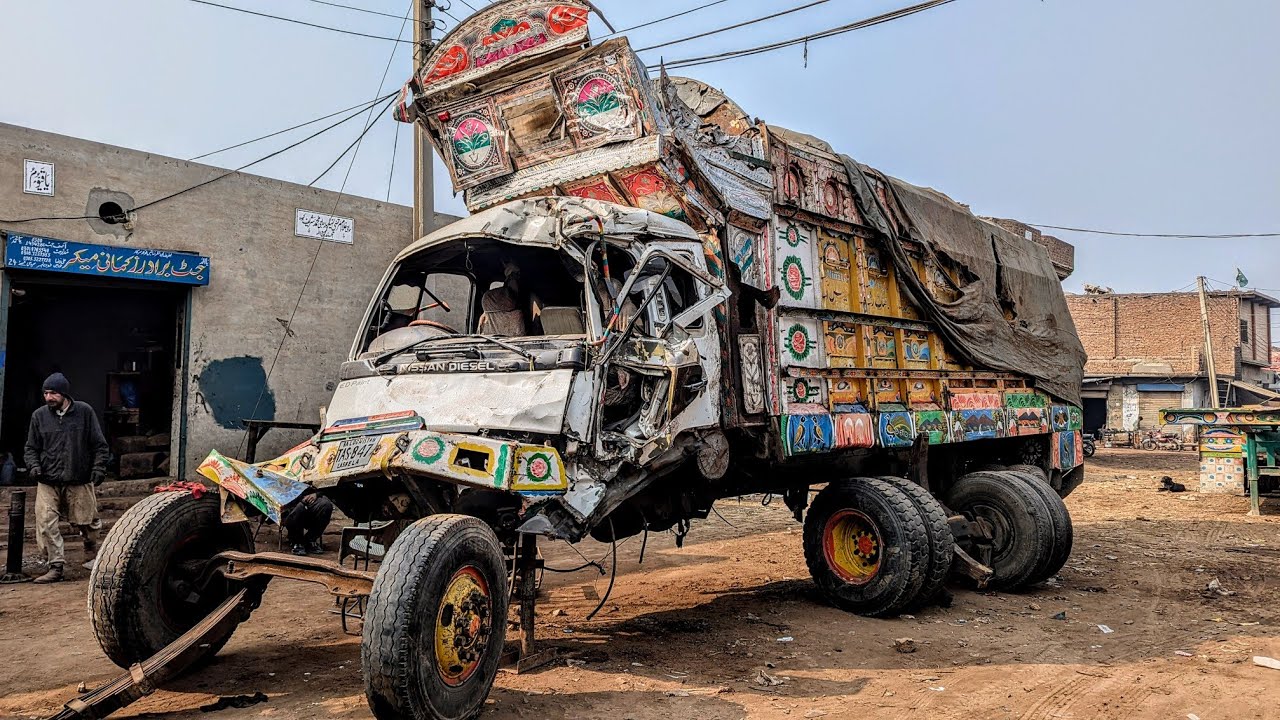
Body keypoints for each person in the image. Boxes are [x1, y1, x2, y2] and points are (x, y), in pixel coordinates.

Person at [24, 373, 110, 583]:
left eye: (53, 393)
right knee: (45, 522)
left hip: (78, 477)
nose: (48, 397)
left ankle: (90, 548)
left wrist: (98, 469)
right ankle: (56, 566)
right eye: (45, 393)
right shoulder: (39, 416)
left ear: (64, 394)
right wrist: (34, 466)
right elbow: (31, 448)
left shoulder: (84, 412)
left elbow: (99, 445)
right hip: (48, 479)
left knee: (87, 521)